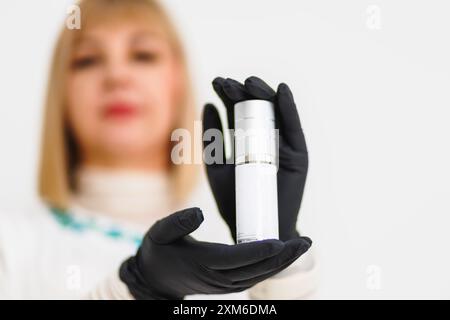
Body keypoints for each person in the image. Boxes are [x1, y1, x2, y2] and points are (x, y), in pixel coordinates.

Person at [0, 0, 316, 299]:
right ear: (62, 93)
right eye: (88, 60)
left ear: (177, 81)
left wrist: (279, 268)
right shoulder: (11, 244)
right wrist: (136, 288)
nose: (117, 76)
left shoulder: (224, 262)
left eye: (143, 55)